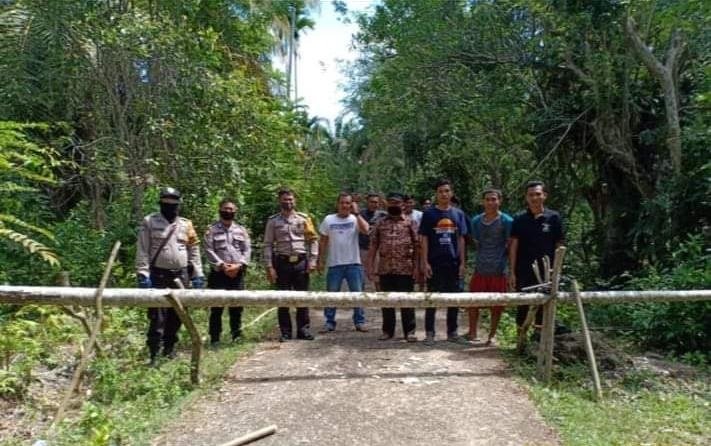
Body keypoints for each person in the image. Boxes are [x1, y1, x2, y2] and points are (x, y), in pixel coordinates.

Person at [136, 187, 204, 366]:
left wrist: (198, 273)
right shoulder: (149, 222)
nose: (171, 207)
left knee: (178, 314)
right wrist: (143, 273)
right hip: (158, 275)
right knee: (157, 316)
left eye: (174, 204)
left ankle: (169, 349)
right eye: (167, 204)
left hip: (181, 275)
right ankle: (154, 353)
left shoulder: (186, 224)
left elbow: (194, 250)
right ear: (161, 204)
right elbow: (143, 249)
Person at [263, 188, 319, 342]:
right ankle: (285, 332)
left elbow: (313, 240)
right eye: (285, 200)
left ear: (295, 201)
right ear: (279, 201)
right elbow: (267, 244)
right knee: (283, 298)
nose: (288, 202)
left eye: (290, 199)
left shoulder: (303, 219)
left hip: (301, 262)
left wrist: (313, 260)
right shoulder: (273, 221)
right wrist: (270, 267)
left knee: (302, 298)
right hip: (282, 263)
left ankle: (303, 330)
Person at [508, 181, 565, 330]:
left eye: (538, 194)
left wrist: (557, 270)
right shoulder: (519, 219)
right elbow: (514, 246)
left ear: (544, 196)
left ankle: (540, 342)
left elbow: (560, 245)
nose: (534, 198)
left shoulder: (553, 217)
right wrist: (512, 272)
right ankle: (521, 342)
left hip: (547, 272)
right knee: (522, 305)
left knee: (544, 305)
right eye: (531, 195)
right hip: (524, 270)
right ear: (526, 197)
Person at [419, 179, 469, 345]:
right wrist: (424, 262)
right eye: (440, 191)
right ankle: (430, 333)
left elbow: (461, 239)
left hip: (453, 262)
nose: (444, 194)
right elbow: (424, 239)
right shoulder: (429, 214)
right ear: (436, 194)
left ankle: (452, 332)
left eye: (447, 191)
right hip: (434, 262)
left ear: (451, 193)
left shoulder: (458, 214)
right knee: (432, 298)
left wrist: (462, 263)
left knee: (454, 298)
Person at [367, 193, 419, 341]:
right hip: (385, 269)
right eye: (391, 203)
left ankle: (410, 332)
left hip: (405, 270)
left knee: (407, 301)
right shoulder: (381, 223)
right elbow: (373, 247)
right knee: (387, 301)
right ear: (386, 205)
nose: (394, 205)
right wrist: (370, 268)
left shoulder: (410, 223)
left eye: (397, 203)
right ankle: (388, 331)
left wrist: (417, 267)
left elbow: (418, 247)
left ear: (403, 204)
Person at [318, 192, 370, 332]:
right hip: (334, 264)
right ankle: (329, 321)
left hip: (354, 263)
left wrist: (357, 214)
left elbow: (366, 230)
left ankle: (359, 321)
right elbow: (322, 241)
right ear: (337, 204)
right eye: (342, 203)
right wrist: (320, 260)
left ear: (351, 204)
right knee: (332, 295)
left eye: (348, 203)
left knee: (357, 294)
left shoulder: (355, 219)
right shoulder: (329, 220)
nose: (345, 206)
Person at [468, 188, 513, 345]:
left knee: (497, 305)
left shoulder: (507, 221)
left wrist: (510, 269)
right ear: (483, 201)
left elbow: (510, 245)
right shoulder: (475, 221)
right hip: (480, 268)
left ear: (499, 201)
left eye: (494, 199)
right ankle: (472, 332)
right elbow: (476, 242)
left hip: (499, 269)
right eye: (487, 199)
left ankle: (492, 335)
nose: (490, 202)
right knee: (473, 303)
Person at [204, 198, 251, 346]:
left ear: (235, 211)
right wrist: (223, 265)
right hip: (219, 274)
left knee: (236, 307)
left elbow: (247, 249)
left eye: (231, 209)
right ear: (219, 210)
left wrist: (239, 265)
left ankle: (236, 335)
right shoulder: (211, 230)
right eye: (225, 208)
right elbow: (208, 250)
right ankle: (215, 338)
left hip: (237, 273)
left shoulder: (241, 230)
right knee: (216, 308)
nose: (228, 211)